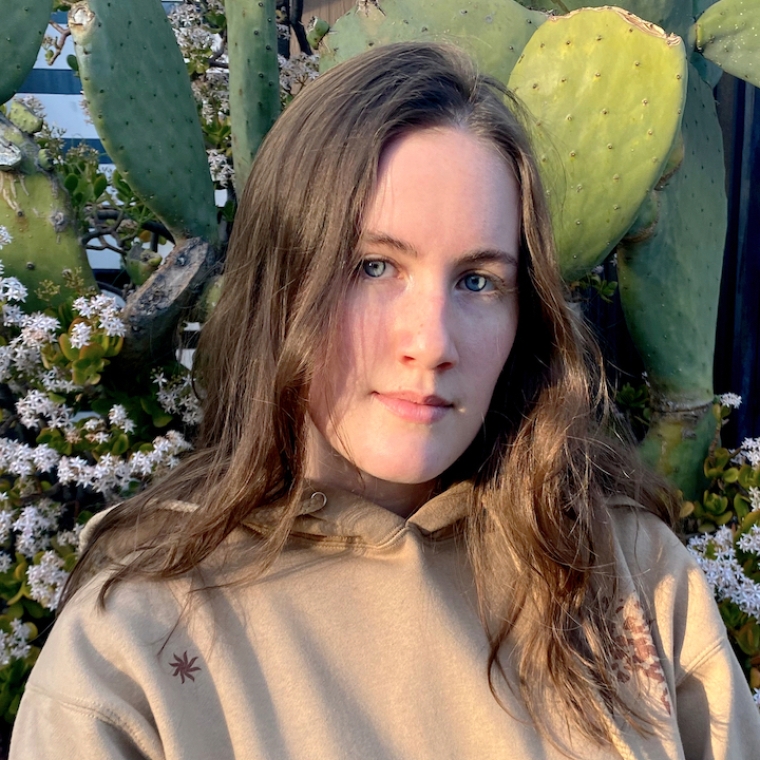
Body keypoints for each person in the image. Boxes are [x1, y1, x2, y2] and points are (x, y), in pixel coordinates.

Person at [10, 42, 760, 759]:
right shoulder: (137, 646)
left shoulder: (632, 581)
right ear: (282, 285)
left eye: (478, 281)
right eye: (374, 266)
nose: (431, 341)